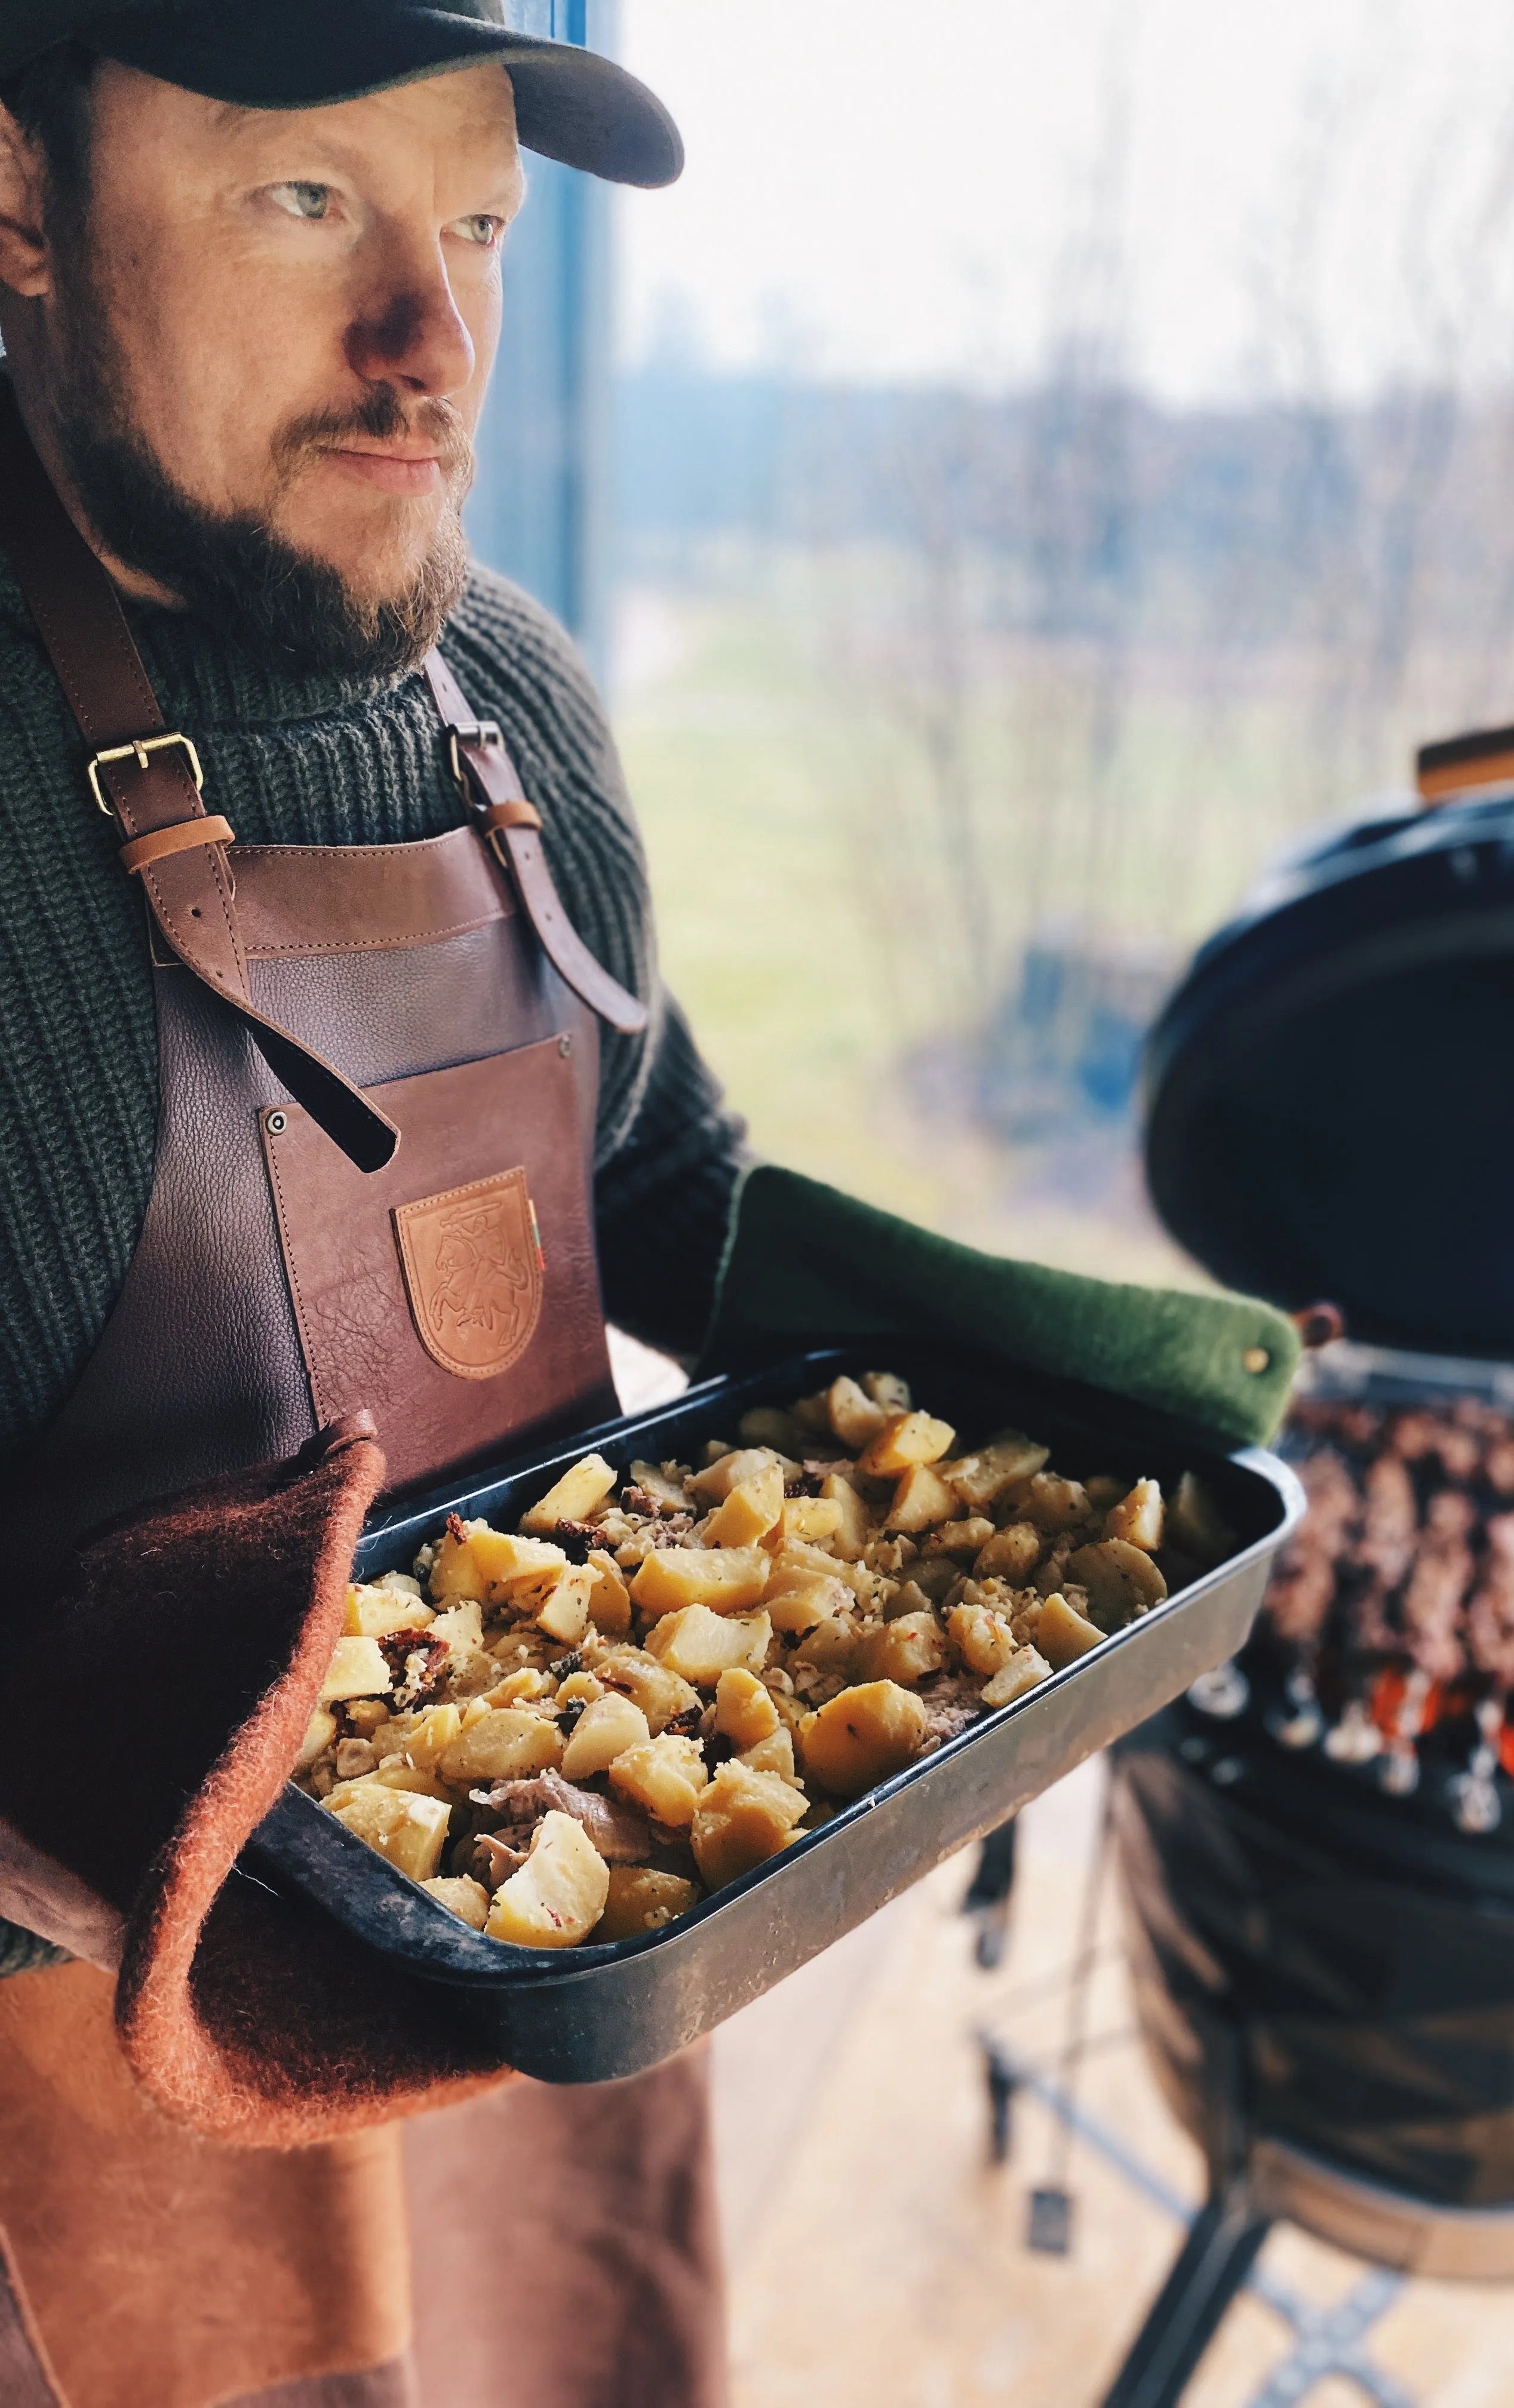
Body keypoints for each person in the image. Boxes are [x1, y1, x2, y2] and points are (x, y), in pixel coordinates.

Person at [0, 8, 741, 2404]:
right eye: (307, 201)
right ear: (17, 202)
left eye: (480, 229)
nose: (432, 345)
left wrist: (1077, 1373)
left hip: (584, 1913)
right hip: (100, 2120)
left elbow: (676, 1186)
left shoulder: (513, 689)